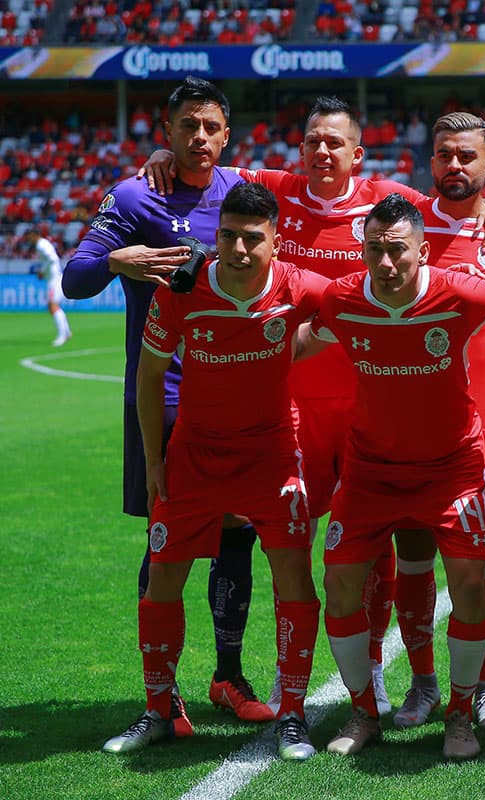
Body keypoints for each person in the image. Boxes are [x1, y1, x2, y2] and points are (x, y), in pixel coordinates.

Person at [140, 96, 485, 717]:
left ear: (356, 153)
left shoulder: (390, 199)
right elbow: (210, 170)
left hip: (373, 401)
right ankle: (245, 678)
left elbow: (455, 200)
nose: (322, 152)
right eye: (312, 141)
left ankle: (374, 675)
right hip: (294, 408)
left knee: (378, 542)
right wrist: (165, 158)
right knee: (302, 545)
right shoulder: (277, 190)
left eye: (334, 143)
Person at [294, 194, 485, 759]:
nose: (386, 263)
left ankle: (460, 715)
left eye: (398, 251)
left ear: (423, 250)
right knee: (341, 585)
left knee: (470, 587)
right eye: (374, 251)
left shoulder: (459, 292)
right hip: (370, 470)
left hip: (450, 469)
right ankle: (364, 713)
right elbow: (299, 340)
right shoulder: (344, 299)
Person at [62, 77, 269, 734]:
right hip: (167, 398)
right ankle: (164, 692)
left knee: (237, 533)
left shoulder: (244, 194)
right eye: (188, 126)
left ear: (227, 133)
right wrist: (118, 258)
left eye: (210, 126)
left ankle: (228, 676)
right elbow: (75, 277)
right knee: (168, 542)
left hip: (235, 398)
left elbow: (336, 185)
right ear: (168, 129)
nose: (199, 138)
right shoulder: (133, 195)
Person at [102, 183, 328, 760]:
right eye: (228, 235)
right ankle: (158, 710)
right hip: (194, 458)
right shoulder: (183, 290)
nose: (239, 248)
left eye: (253, 238)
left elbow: (359, 307)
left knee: (295, 583)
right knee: (162, 583)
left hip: (273, 455)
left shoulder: (298, 286)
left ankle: (293, 715)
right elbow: (149, 378)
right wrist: (154, 460)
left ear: (276, 241)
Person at [388, 111, 485, 732]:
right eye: (444, 156)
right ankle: (423, 685)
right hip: (408, 423)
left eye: (467, 157)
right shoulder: (399, 224)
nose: (455, 166)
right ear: (431, 162)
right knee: (414, 551)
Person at [25, 227, 72, 346]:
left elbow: (52, 259)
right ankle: (66, 332)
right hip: (53, 277)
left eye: (29, 236)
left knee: (53, 305)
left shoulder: (41, 245)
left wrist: (42, 271)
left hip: (54, 278)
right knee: (52, 305)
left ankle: (62, 335)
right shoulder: (42, 244)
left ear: (34, 235)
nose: (28, 239)